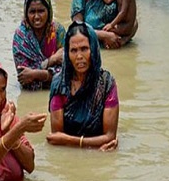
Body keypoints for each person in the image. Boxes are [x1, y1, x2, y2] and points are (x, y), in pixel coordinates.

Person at [47, 22, 118, 151]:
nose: (79, 56)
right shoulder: (59, 84)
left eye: (84, 49)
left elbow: (110, 136)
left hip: (97, 156)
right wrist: (91, 144)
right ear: (67, 54)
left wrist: (73, 141)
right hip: (77, 154)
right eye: (73, 50)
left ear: (94, 49)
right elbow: (56, 137)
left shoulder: (107, 84)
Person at [12, 0, 66, 91]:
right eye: (32, 12)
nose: (36, 17)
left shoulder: (59, 32)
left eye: (41, 11)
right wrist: (52, 60)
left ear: (49, 11)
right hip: (30, 94)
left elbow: (68, 74)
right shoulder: (20, 37)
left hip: (58, 93)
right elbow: (24, 77)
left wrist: (36, 74)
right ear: (26, 14)